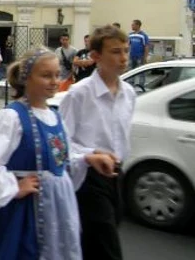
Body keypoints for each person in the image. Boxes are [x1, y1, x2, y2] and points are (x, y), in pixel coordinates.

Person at [0, 47, 117, 259]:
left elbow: (59, 160)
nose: (54, 81)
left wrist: (89, 158)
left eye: (56, 75)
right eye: (45, 75)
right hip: (24, 213)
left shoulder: (55, 116)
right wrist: (13, 186)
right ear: (26, 78)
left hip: (59, 208)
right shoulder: (11, 117)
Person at [60, 25, 135, 260]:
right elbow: (60, 143)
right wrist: (89, 155)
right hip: (88, 177)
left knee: (93, 243)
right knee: (107, 247)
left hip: (116, 174)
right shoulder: (78, 94)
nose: (123, 58)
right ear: (95, 56)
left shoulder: (129, 93)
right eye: (115, 52)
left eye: (125, 50)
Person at [128, 19, 149, 87]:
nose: (131, 26)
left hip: (140, 56)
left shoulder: (143, 35)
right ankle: (131, 84)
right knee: (131, 71)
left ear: (138, 25)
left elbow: (146, 46)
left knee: (141, 71)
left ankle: (141, 85)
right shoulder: (130, 35)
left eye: (133, 25)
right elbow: (128, 45)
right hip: (132, 56)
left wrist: (145, 57)